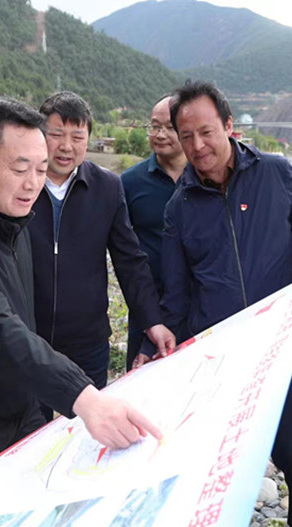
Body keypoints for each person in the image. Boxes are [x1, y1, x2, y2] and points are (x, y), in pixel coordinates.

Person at [137, 80, 292, 527]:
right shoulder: (179, 208)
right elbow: (177, 292)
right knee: (218, 458)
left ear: (229, 126)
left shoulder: (275, 173)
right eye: (186, 136)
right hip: (221, 354)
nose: (197, 146)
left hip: (282, 342)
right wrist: (158, 344)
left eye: (206, 132)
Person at [0, 97, 162, 475]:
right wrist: (87, 400)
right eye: (19, 168)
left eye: (41, 170)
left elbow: (128, 261)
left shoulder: (14, 221)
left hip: (23, 407)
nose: (32, 184)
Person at [28, 91, 173, 410]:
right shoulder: (22, 184)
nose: (66, 146)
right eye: (56, 135)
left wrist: (152, 320)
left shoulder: (106, 186)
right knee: (29, 429)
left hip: (87, 342)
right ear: (39, 135)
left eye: (77, 137)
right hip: (27, 341)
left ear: (88, 139)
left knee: (88, 429)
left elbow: (130, 261)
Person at [121, 95, 188, 370]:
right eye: (154, 126)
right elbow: (123, 252)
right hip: (147, 309)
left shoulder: (205, 177)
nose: (160, 134)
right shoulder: (129, 182)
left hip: (198, 307)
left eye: (169, 127)